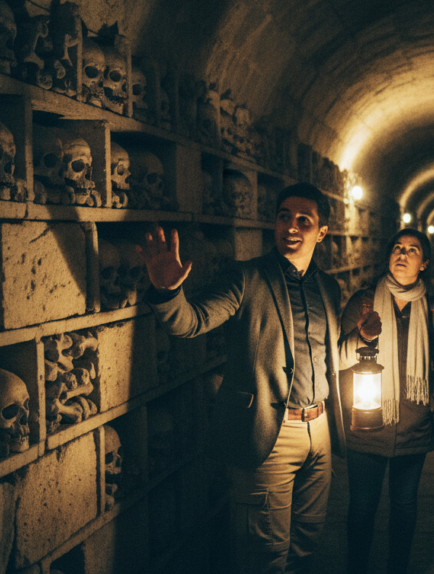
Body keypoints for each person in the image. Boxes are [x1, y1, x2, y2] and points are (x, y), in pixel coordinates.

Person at [139, 182, 346, 574]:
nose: (291, 226)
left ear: (322, 232)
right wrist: (167, 293)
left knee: (306, 544)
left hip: (319, 430)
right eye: (284, 216)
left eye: (304, 220)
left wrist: (364, 339)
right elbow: (192, 322)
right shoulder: (247, 278)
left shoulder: (328, 287)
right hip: (270, 431)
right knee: (263, 554)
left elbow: (326, 353)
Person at [338, 228, 434, 574]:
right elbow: (339, 357)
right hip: (366, 421)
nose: (402, 254)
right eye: (397, 248)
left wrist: (431, 402)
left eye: (413, 250)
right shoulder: (363, 302)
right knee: (362, 507)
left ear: (424, 263)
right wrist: (353, 403)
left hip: (413, 426)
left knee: (404, 505)